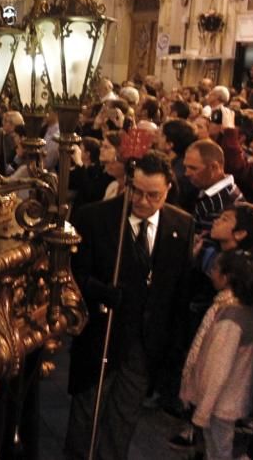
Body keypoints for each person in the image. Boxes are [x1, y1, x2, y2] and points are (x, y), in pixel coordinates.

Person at [65, 151, 194, 460]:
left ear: (168, 191)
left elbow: (179, 292)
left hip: (145, 344)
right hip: (102, 335)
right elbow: (74, 274)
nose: (143, 201)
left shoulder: (181, 224)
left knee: (123, 421)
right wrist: (102, 291)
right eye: (136, 191)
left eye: (154, 195)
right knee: (86, 417)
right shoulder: (94, 217)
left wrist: (172, 356)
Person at [179, 249, 253, 460]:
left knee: (219, 451)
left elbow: (219, 367)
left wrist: (203, 410)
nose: (212, 273)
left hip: (220, 402)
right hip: (224, 400)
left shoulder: (231, 317)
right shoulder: (245, 309)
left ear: (227, 277)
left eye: (215, 269)